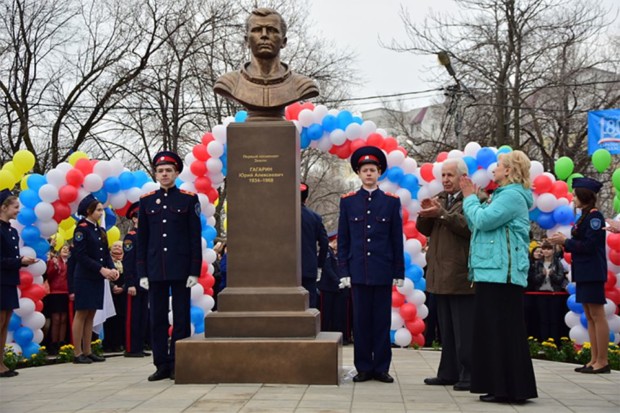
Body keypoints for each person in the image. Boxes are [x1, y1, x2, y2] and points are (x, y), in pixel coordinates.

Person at [460, 150, 538, 403]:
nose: (493, 170)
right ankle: (498, 385)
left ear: (510, 171)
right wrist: (478, 202)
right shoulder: (502, 196)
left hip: (502, 274)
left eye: (498, 166)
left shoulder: (512, 196)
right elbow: (476, 224)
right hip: (491, 270)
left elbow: (482, 221)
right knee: (492, 332)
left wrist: (470, 199)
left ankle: (510, 388)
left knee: (503, 331)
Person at [338, 146, 405, 383]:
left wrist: (399, 270)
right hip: (358, 271)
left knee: (381, 321)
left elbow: (396, 239)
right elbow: (343, 239)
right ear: (358, 173)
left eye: (373, 170)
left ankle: (381, 367)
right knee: (361, 321)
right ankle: (364, 367)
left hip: (382, 270)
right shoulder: (348, 202)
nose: (369, 174)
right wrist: (343, 270)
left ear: (379, 173)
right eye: (365, 170)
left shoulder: (390, 202)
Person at [137, 151, 202, 381]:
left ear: (176, 173)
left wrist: (195, 270)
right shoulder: (145, 201)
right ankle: (161, 364)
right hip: (155, 269)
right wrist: (142, 271)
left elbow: (195, 237)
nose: (164, 174)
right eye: (160, 171)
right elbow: (141, 240)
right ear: (155, 174)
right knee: (157, 319)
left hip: (181, 268)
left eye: (168, 170)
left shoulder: (188, 199)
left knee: (181, 318)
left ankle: (177, 362)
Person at [416, 158, 477, 391]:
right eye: (443, 175)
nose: (445, 180)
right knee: (447, 330)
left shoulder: (473, 199)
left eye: (450, 175)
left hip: (460, 275)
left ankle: (468, 374)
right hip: (440, 274)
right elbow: (425, 230)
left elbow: (468, 226)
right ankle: (448, 372)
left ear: (462, 177)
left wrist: (441, 213)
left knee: (463, 331)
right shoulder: (440, 198)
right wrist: (425, 213)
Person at [549, 177, 610, 374]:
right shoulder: (583, 216)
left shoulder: (594, 217)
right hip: (583, 271)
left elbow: (590, 246)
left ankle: (603, 359)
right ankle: (594, 358)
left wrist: (566, 242)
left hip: (592, 271)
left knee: (597, 315)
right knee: (590, 315)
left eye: (575, 194)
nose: (573, 198)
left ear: (584, 196)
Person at [213, 8, 319, 120]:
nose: (264, 35)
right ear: (247, 41)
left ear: (284, 42)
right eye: (257, 30)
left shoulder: (302, 85)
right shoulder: (229, 83)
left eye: (272, 30)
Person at [71, 194, 119, 364]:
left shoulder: (100, 230)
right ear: (89, 211)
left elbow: (105, 254)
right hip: (85, 277)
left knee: (91, 313)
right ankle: (77, 352)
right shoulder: (82, 229)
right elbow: (80, 255)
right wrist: (101, 269)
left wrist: (112, 268)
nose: (101, 213)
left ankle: (88, 350)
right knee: (82, 313)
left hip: (98, 277)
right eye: (98, 210)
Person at [0, 189, 38, 377]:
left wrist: (21, 260)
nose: (18, 211)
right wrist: (19, 261)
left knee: (5, 323)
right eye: (15, 207)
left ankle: (1, 363)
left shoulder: (12, 230)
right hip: (1, 280)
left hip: (9, 280)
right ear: (3, 207)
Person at [527, 240, 569, 343]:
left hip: (555, 294)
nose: (546, 251)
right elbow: (534, 280)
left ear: (553, 250)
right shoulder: (537, 264)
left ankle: (554, 341)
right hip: (540, 294)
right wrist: (542, 274)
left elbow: (560, 279)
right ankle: (544, 341)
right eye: (544, 249)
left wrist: (551, 274)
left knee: (554, 319)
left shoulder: (558, 263)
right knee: (543, 319)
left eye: (548, 249)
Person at [123, 202, 150, 358]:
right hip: (134, 282)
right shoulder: (131, 237)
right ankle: (131, 347)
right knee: (133, 317)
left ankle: (139, 346)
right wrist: (130, 283)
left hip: (145, 281)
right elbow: (128, 262)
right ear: (134, 219)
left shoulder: (146, 236)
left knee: (142, 316)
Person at [318, 231, 352, 344]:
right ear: (333, 241)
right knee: (326, 313)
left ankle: (342, 336)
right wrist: (338, 281)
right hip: (328, 287)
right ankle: (324, 334)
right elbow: (327, 268)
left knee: (339, 314)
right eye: (336, 241)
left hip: (340, 288)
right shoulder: (327, 252)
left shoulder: (341, 253)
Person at [300, 182, 328, 309]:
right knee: (309, 306)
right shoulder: (315, 218)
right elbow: (324, 243)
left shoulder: (281, 216)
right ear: (306, 198)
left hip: (285, 269)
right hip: (308, 267)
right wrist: (319, 264)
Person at [44, 243, 70, 355]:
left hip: (66, 292)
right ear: (59, 251)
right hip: (55, 292)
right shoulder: (54, 261)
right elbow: (49, 276)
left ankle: (62, 342)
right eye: (63, 248)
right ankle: (53, 343)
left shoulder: (70, 263)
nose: (65, 250)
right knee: (56, 319)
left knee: (64, 319)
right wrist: (53, 266)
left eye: (67, 249)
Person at [102, 240, 126, 352]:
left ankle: (119, 343)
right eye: (115, 246)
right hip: (110, 292)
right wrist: (113, 287)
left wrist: (123, 287)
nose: (117, 248)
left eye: (119, 246)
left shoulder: (126, 260)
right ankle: (108, 343)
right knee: (109, 318)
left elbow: (130, 274)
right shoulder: (107, 261)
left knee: (121, 318)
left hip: (123, 293)